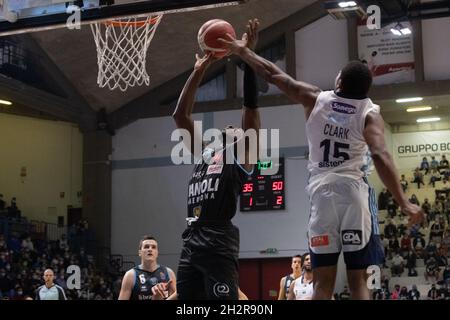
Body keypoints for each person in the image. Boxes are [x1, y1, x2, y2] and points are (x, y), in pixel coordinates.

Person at [219, 23, 424, 300]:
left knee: (321, 285)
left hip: (321, 195)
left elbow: (273, 73)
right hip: (353, 194)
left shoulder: (315, 98)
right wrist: (402, 201)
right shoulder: (369, 112)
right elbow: (380, 155)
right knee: (358, 282)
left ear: (338, 82)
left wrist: (245, 52)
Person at [172, 21, 260, 300]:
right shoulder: (206, 153)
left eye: (235, 128)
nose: (230, 127)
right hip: (191, 240)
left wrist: (247, 58)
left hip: (218, 241)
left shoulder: (242, 157)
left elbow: (250, 107)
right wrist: (198, 72)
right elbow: (180, 115)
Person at [118, 235, 176, 300]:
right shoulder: (130, 275)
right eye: (146, 247)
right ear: (140, 252)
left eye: (153, 247)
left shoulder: (169, 272)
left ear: (157, 253)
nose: (150, 249)